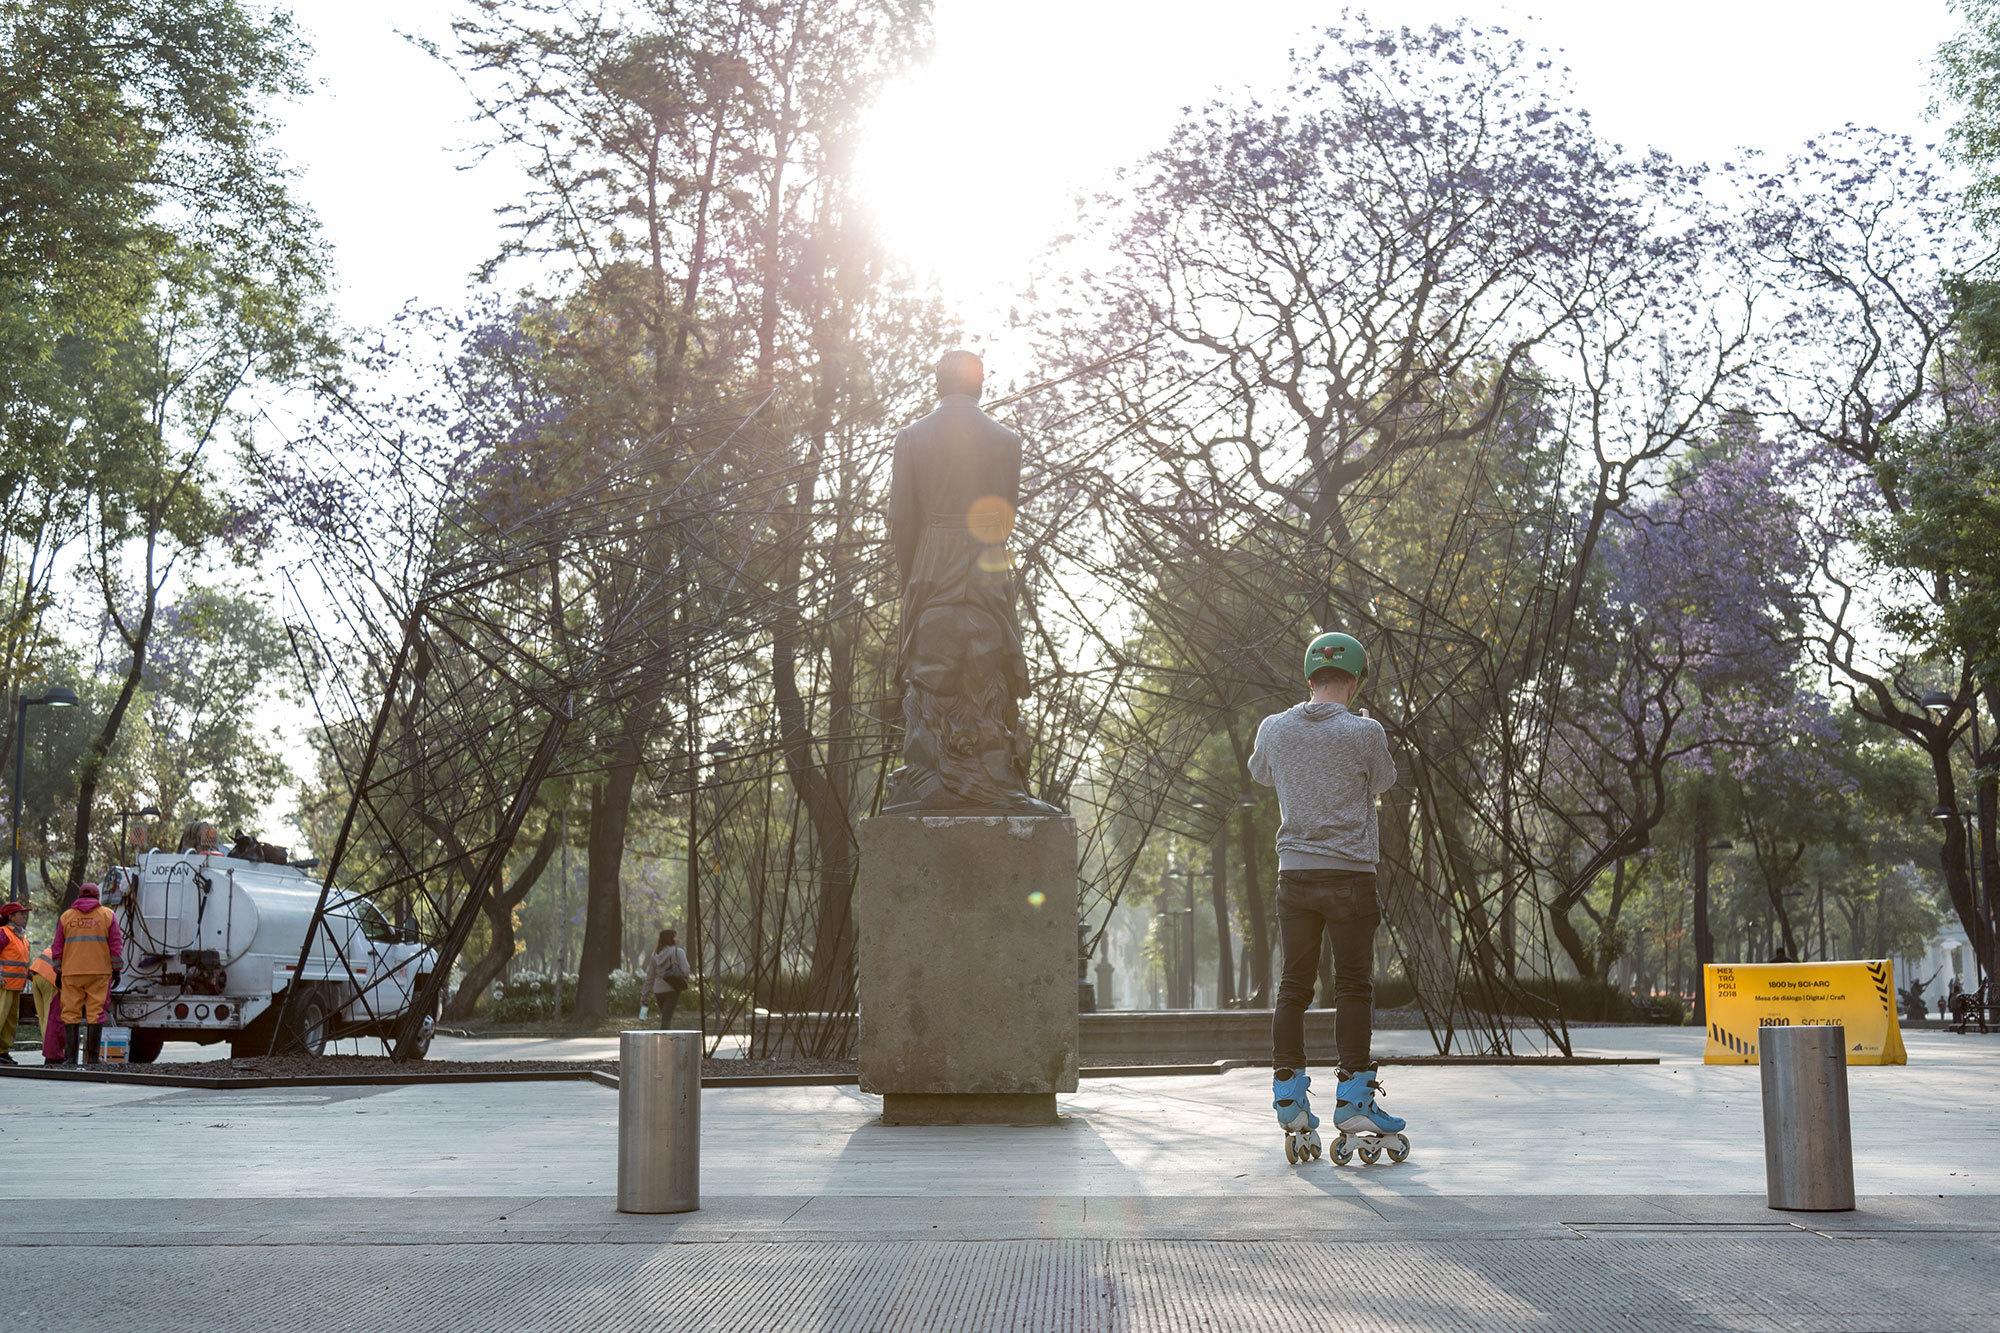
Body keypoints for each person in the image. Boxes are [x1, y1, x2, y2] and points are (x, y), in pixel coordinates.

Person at [1249, 631, 1406, 1162]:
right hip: (1350, 877)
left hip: (1294, 875)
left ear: (1309, 679)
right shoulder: (1365, 732)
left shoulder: (1274, 729)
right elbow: (1383, 781)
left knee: (1294, 984)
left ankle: (1289, 1096)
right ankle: (1355, 1098)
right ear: (1356, 681)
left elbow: (1259, 772)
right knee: (1353, 987)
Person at [51, 883, 121, 1065]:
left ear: (79, 896)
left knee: (70, 1013)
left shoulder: (67, 917)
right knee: (95, 1013)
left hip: (72, 972)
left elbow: (57, 946)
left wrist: (58, 970)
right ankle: (93, 1059)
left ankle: (71, 1059)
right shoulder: (107, 915)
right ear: (97, 897)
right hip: (99, 972)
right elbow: (116, 945)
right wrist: (117, 970)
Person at [642, 928, 691, 1027]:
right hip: (672, 989)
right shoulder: (678, 951)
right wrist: (684, 978)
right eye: (675, 936)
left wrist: (644, 995)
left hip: (658, 991)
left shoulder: (655, 955)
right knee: (666, 1020)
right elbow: (686, 970)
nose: (677, 939)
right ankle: (664, 1040)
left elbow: (650, 977)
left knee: (665, 1017)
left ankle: (666, 1039)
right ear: (671, 938)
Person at [0, 903, 29, 1064]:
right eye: (20, 914)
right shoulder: (4, 933)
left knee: (9, 1021)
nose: (24, 916)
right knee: (0, 1018)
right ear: (10, 917)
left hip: (15, 985)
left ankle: (3, 1051)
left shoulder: (21, 936)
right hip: (3, 985)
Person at [29, 942, 60, 1064]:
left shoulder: (63, 943)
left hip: (37, 975)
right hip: (50, 978)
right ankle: (53, 1055)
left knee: (44, 1018)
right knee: (53, 1019)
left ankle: (49, 1051)